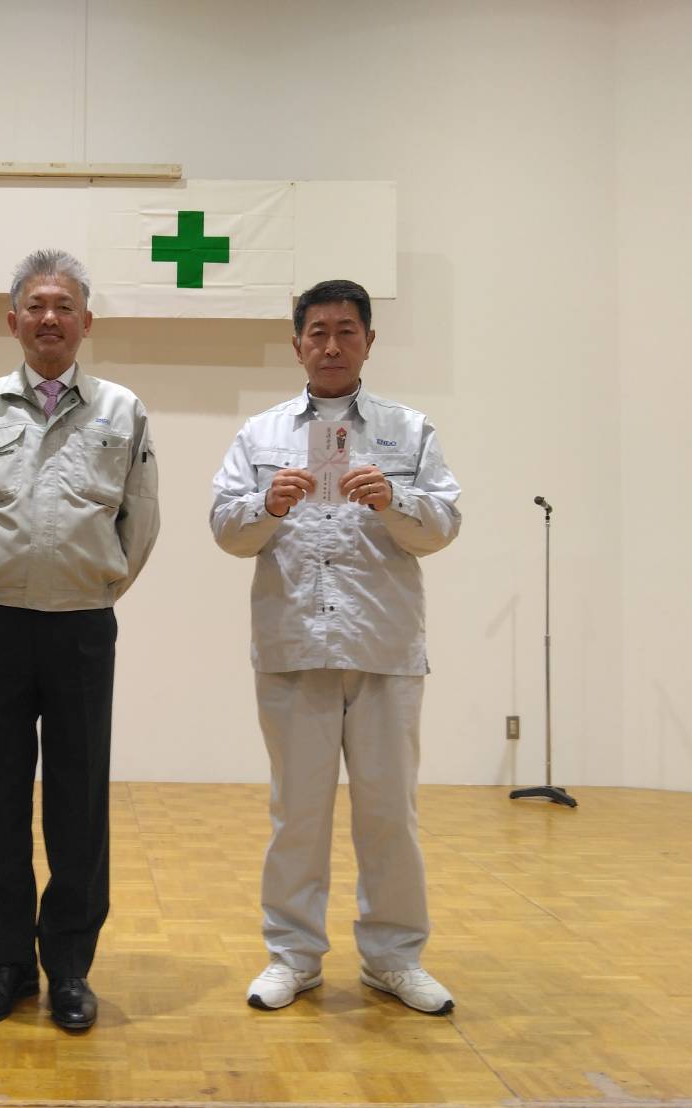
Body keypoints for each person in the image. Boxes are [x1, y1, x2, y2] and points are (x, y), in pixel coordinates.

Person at [209, 279, 462, 1016]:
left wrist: (395, 499)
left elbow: (443, 526)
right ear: (296, 345)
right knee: (297, 816)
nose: (330, 345)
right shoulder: (260, 435)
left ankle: (393, 959)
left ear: (368, 342)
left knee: (390, 816)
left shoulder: (409, 431)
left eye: (346, 331)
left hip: (383, 647)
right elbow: (225, 531)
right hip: (293, 647)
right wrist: (266, 504)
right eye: (316, 332)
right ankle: (292, 957)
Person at [0, 249, 160, 1030]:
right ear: (13, 321)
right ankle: (7, 965)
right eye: (35, 305)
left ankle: (67, 967)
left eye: (64, 306)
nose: (50, 318)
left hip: (82, 627)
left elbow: (139, 517)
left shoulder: (122, 410)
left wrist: (97, 585)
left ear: (85, 321)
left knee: (78, 797)